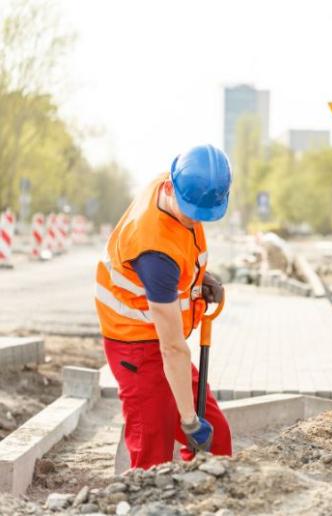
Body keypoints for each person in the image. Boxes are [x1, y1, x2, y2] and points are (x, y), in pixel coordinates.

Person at [95, 144, 233, 468]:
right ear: (170, 188)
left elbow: (182, 255)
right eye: (191, 212)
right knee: (153, 453)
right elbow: (172, 348)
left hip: (160, 336)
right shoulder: (155, 254)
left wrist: (201, 280)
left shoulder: (180, 186)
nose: (194, 220)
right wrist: (189, 421)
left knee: (218, 440)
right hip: (135, 347)